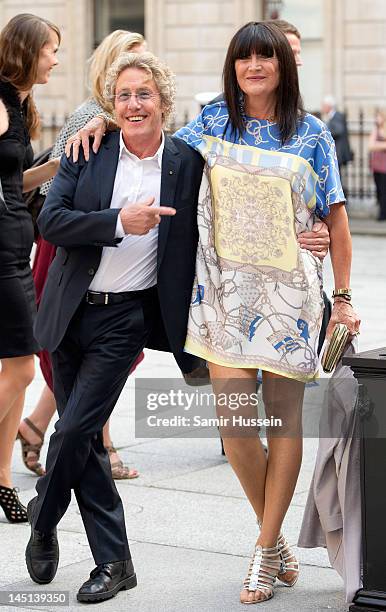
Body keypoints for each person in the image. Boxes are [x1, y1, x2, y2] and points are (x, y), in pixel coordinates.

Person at [66, 26, 360, 606]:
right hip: (222, 297)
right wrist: (102, 124)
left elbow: (339, 223)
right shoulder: (211, 122)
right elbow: (153, 141)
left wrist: (344, 298)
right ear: (234, 65)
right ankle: (273, 541)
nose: (254, 65)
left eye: (265, 56)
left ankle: (262, 548)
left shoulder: (312, 135)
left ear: (282, 65)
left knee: (283, 423)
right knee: (235, 427)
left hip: (290, 301)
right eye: (244, 56)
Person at [25, 51, 205, 603]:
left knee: (76, 430)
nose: (133, 104)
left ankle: (43, 520)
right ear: (111, 103)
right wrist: (116, 223)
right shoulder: (90, 148)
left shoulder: (186, 163)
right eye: (123, 95)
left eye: (144, 94)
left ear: (163, 102)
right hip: (70, 307)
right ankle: (115, 563)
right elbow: (49, 218)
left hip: (125, 317)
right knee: (88, 447)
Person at [17, 29, 147, 480]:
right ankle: (99, 445)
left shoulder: (129, 119)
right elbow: (55, 195)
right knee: (83, 349)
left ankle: (35, 426)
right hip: (69, 249)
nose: (139, 67)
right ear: (109, 68)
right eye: (130, 58)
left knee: (102, 353)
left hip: (115, 248)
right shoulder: (88, 116)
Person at [0, 13, 60, 523]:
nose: (55, 60)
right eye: (50, 50)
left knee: (13, 374)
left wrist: (60, 165)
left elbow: (15, 181)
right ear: (27, 50)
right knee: (21, 366)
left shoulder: (20, 107)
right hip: (0, 254)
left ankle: (1, 483)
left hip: (18, 249)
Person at [322, 95, 352, 171]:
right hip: (336, 151)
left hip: (338, 151)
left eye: (324, 105)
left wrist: (325, 133)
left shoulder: (337, 116)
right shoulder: (331, 116)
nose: (322, 108)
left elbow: (339, 130)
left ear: (329, 106)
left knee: (337, 176)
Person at [368, 109, 386, 221]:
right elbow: (370, 146)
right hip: (377, 166)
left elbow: (374, 144)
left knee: (384, 191)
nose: (376, 119)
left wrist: (378, 144)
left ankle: (383, 214)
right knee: (379, 190)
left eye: (378, 116)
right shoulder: (376, 130)